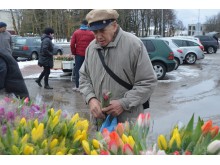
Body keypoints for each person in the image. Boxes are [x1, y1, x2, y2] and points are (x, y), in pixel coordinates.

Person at [79, 9, 158, 126]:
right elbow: (84, 77)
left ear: (114, 26)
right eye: (95, 32)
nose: (98, 36)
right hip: (100, 122)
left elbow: (148, 82)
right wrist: (91, 99)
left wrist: (123, 103)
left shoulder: (134, 45)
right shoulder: (91, 48)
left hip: (128, 123)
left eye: (102, 30)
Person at [70, 20, 95, 92]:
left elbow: (72, 44)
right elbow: (95, 44)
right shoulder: (91, 33)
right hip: (89, 55)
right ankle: (89, 87)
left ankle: (78, 86)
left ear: (81, 24)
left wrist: (74, 52)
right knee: (89, 70)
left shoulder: (76, 32)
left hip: (79, 55)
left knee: (78, 70)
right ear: (87, 25)